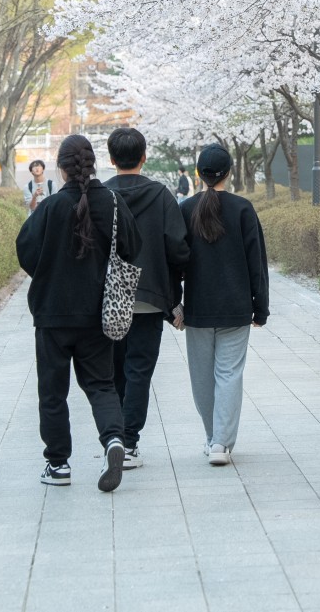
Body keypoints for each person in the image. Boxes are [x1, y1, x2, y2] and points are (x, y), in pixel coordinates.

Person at [15, 133, 141, 492]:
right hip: (97, 313)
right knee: (101, 385)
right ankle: (114, 441)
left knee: (52, 392)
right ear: (93, 163)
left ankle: (58, 465)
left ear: (61, 167)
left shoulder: (52, 206)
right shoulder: (113, 203)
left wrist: (48, 271)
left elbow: (25, 249)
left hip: (53, 314)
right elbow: (133, 246)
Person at [173, 144, 268, 466]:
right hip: (236, 306)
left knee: (201, 376)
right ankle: (221, 444)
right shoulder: (242, 209)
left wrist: (173, 304)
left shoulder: (185, 209)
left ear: (199, 174)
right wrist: (261, 307)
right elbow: (257, 262)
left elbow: (173, 260)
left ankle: (213, 437)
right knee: (229, 374)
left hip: (197, 307)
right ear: (229, 172)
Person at [107, 126, 190, 470]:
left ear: (111, 159)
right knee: (139, 370)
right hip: (151, 296)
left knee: (114, 372)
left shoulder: (100, 195)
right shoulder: (161, 196)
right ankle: (129, 443)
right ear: (144, 157)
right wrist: (176, 295)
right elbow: (178, 248)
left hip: (110, 297)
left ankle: (114, 438)